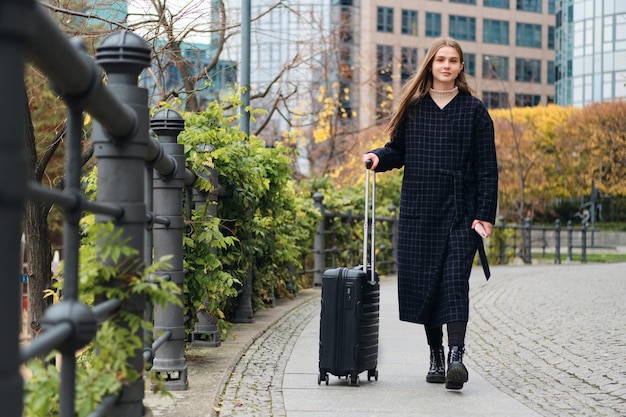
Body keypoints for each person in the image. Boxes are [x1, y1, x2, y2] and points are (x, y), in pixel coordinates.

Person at [362, 37, 498, 390]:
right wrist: (379, 158)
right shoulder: (414, 107)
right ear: (431, 65)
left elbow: (487, 169)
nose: (447, 65)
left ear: (461, 67)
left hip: (460, 213)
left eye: (453, 60)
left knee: (454, 282)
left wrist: (484, 215)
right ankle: (435, 355)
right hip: (419, 210)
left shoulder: (474, 111)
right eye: (440, 60)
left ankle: (456, 356)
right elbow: (398, 151)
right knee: (427, 285)